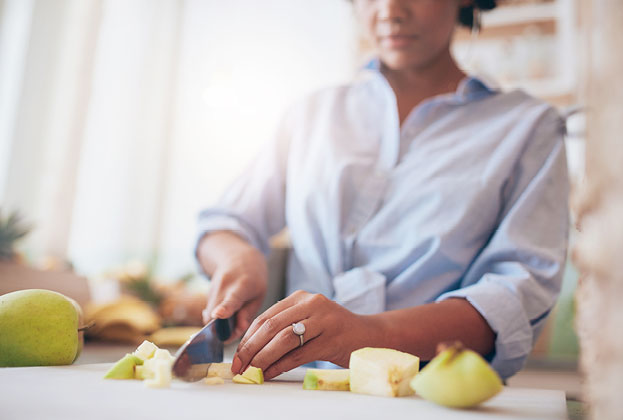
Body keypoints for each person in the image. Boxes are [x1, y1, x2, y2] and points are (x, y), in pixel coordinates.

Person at [195, 0, 569, 382]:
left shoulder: (528, 127)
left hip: (429, 398)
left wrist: (369, 334)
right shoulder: (313, 113)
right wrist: (238, 259)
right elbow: (224, 224)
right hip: (295, 392)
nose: (390, 9)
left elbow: (514, 297)